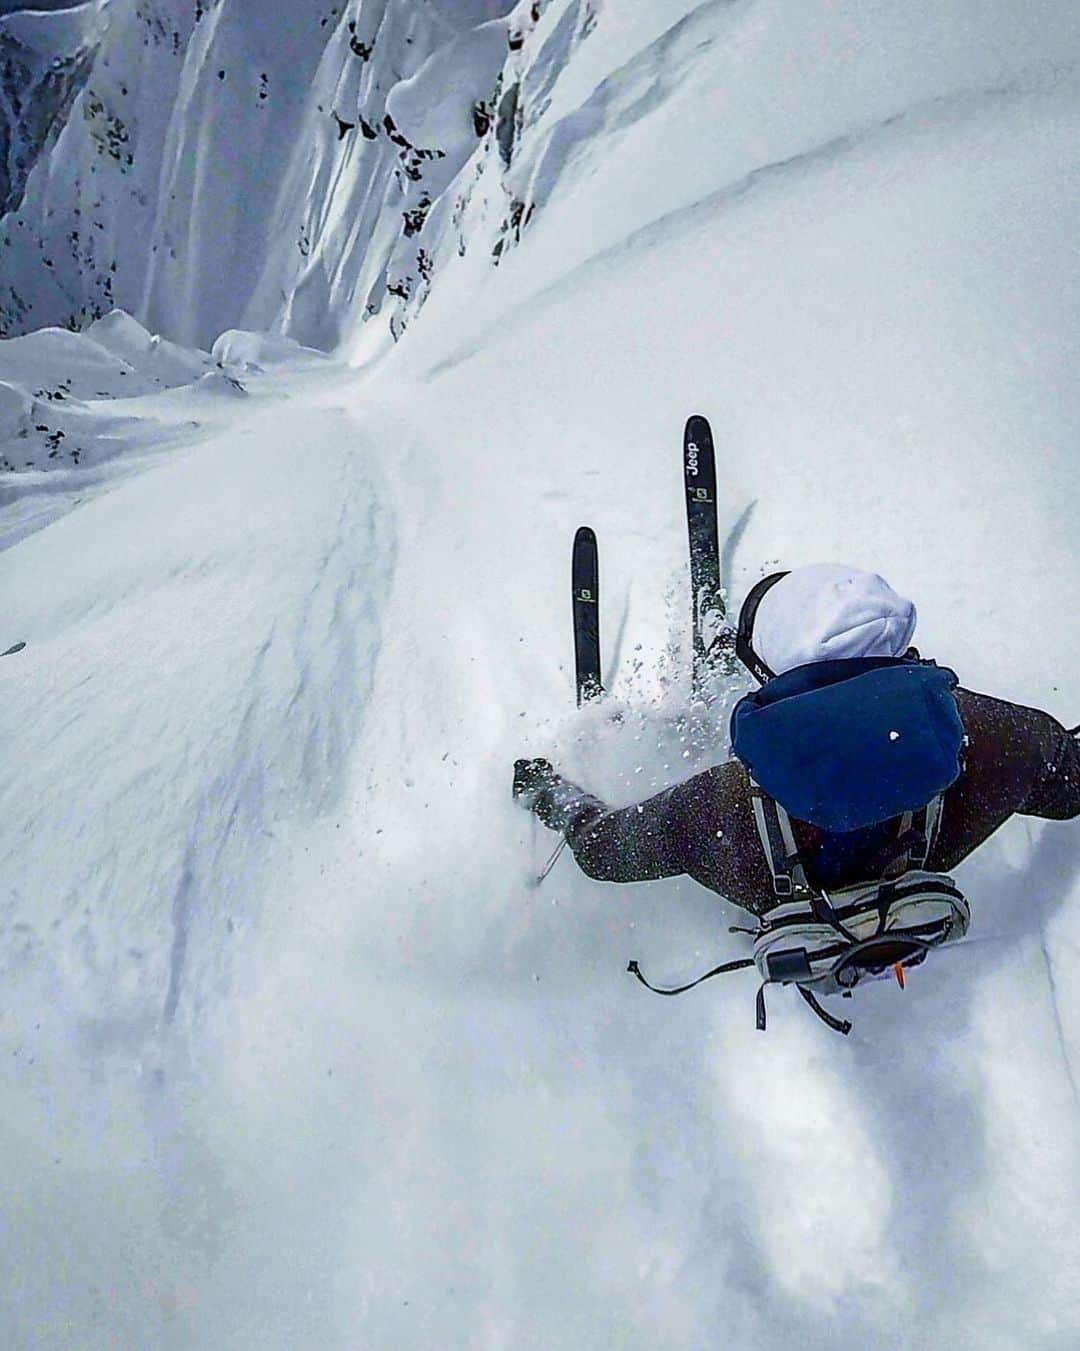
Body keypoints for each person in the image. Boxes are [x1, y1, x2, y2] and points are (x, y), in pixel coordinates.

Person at [513, 563, 1080, 937]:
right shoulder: (986, 742)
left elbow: (602, 851)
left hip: (766, 876)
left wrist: (550, 792)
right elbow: (1069, 782)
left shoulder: (720, 811)